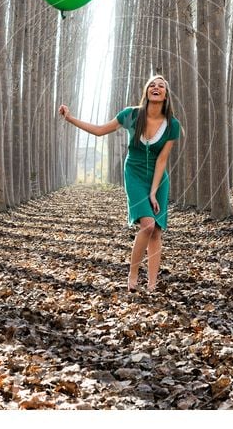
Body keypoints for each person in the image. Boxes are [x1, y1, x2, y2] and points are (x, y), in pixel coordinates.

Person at [58, 75, 181, 292]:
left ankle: (152, 283)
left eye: (161, 86)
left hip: (158, 178)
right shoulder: (130, 115)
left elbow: (162, 160)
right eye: (152, 84)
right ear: (146, 91)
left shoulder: (172, 125)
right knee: (147, 225)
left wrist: (153, 192)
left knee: (157, 231)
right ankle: (133, 273)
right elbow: (99, 130)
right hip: (134, 173)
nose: (156, 87)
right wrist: (70, 118)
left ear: (166, 95)